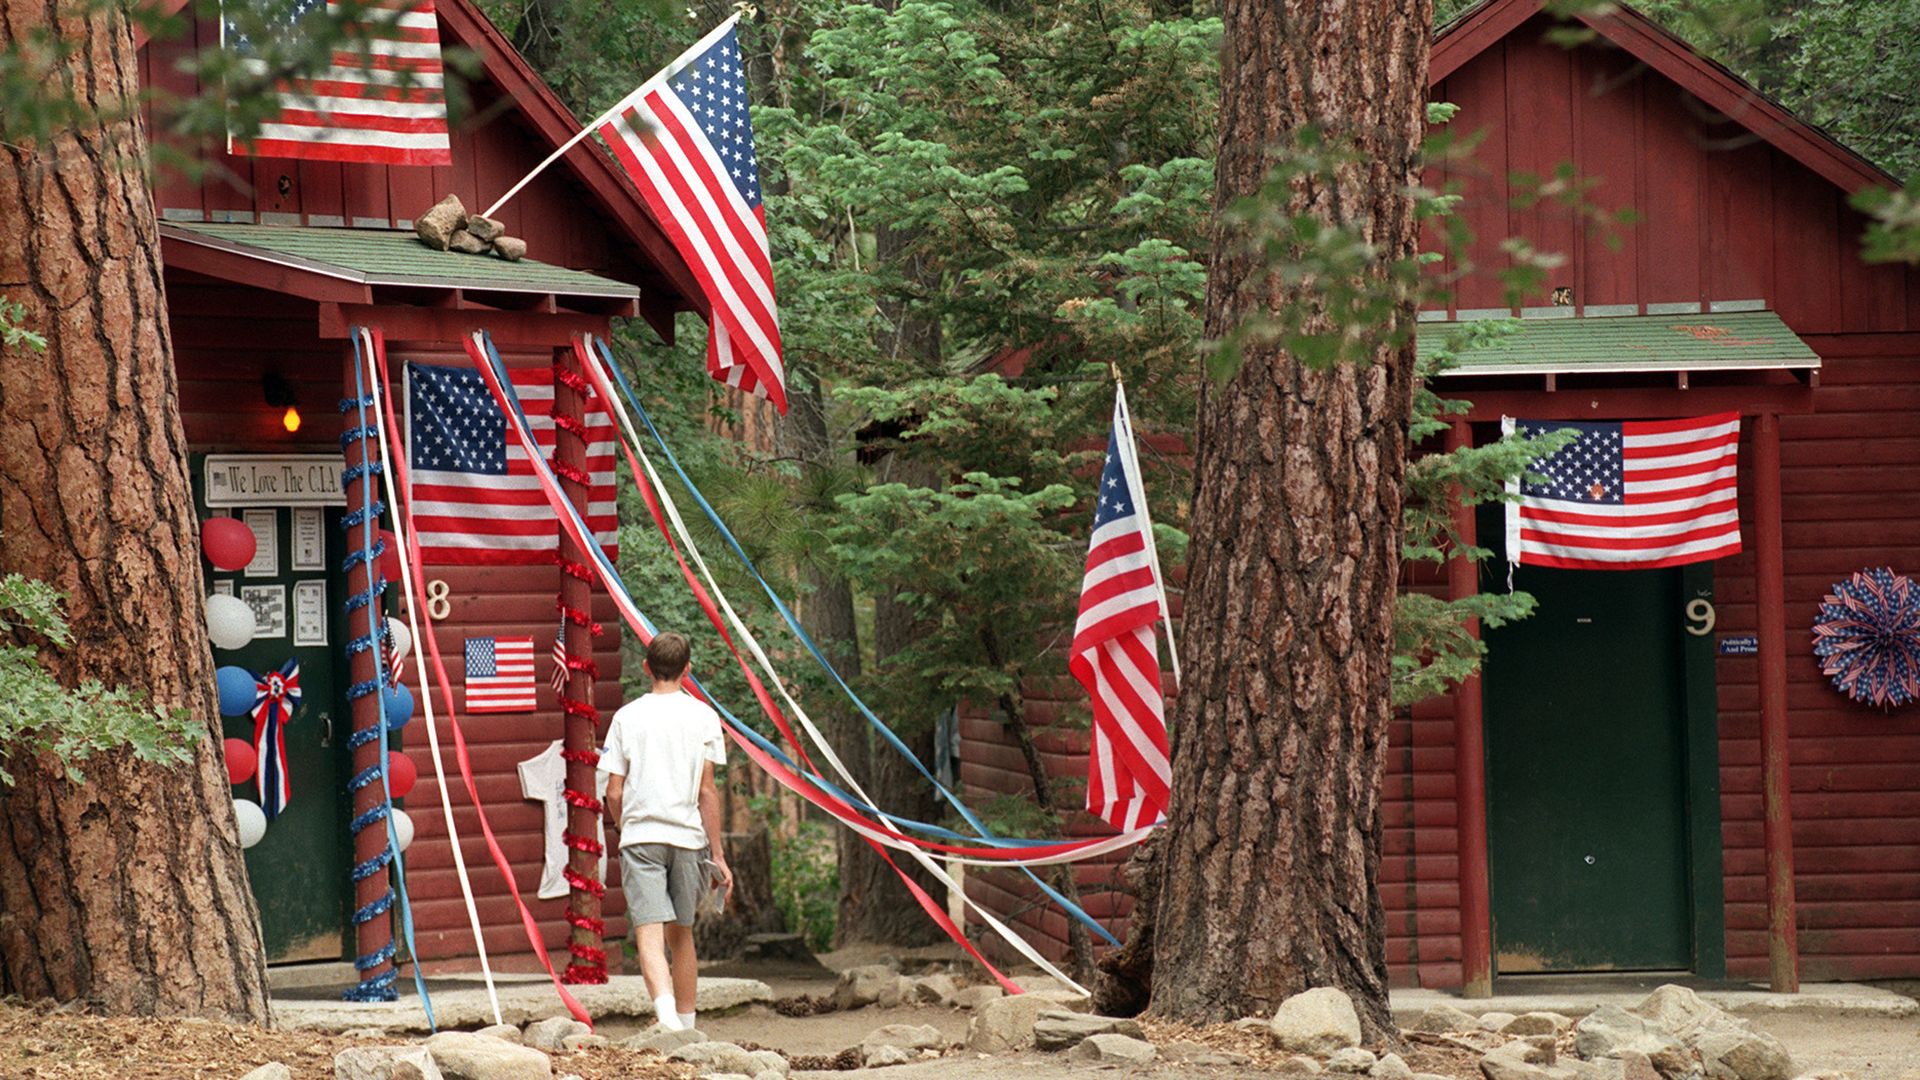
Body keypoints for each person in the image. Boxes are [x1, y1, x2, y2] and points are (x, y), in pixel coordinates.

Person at [600, 631, 732, 1032]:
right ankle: (687, 1026)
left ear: (646, 667)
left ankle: (667, 1021)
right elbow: (707, 791)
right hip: (688, 839)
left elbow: (613, 790)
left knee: (649, 933)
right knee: (682, 934)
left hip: (642, 837)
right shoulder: (704, 717)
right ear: (687, 670)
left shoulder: (627, 717)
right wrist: (719, 854)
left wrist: (627, 826)